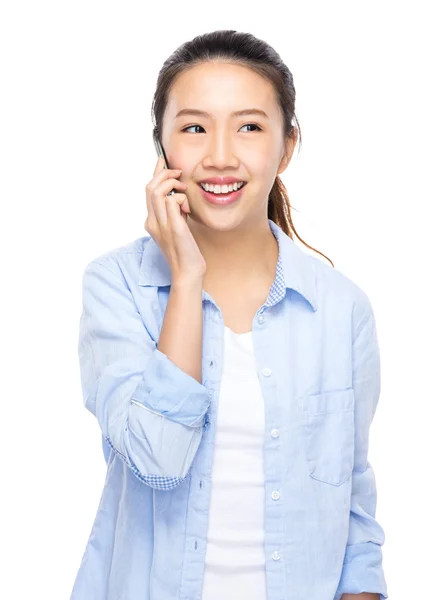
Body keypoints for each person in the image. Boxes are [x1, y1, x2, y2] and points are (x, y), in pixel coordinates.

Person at [69, 29, 388, 600]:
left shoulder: (342, 310)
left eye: (249, 126)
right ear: (162, 148)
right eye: (194, 128)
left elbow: (353, 500)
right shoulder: (117, 287)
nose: (219, 156)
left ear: (287, 146)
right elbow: (156, 459)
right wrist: (187, 278)